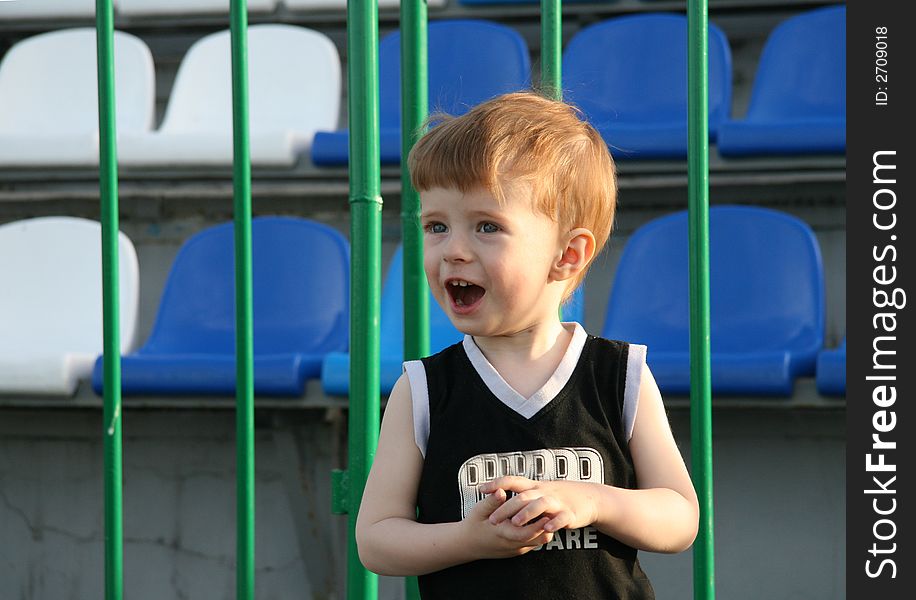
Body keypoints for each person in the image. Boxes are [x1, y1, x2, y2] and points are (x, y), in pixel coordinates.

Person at [355, 92, 699, 599]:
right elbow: (376, 540)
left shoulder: (620, 375)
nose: (452, 249)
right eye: (436, 226)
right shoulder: (423, 390)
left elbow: (679, 517)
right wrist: (469, 539)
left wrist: (593, 501)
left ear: (567, 253)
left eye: (487, 226)